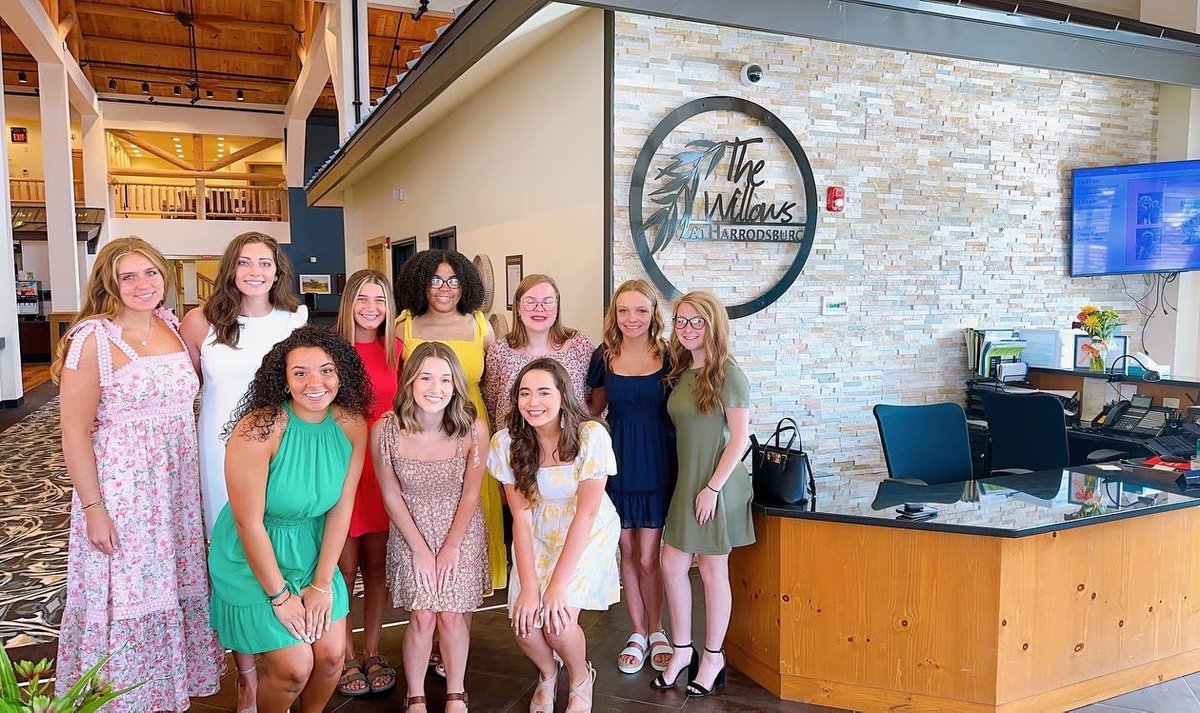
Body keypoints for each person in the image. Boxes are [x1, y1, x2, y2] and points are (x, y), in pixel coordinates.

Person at [52, 237, 225, 710]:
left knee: (173, 584)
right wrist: (93, 509)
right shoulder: (93, 339)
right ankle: (123, 698)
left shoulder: (171, 324)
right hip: (123, 492)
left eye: (150, 272)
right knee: (128, 592)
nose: (142, 284)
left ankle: (166, 690)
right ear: (110, 282)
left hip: (176, 488)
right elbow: (74, 432)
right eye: (128, 276)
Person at [207, 325, 369, 713]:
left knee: (331, 658)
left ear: (341, 374)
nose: (316, 382)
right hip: (253, 556)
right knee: (295, 667)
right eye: (300, 373)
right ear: (283, 380)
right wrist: (280, 597)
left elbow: (341, 508)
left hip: (313, 551)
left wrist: (321, 584)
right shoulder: (258, 429)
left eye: (327, 370)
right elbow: (248, 524)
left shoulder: (352, 425)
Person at [181, 231, 307, 710]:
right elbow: (182, 386)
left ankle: (285, 649)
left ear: (278, 271)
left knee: (277, 546)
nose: (256, 271)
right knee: (231, 560)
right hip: (217, 453)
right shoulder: (201, 322)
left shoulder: (293, 320)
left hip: (278, 453)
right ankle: (246, 675)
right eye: (246, 262)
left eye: (266, 263)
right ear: (231, 269)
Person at [488, 359, 620, 713]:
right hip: (537, 530)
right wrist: (530, 589)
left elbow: (587, 513)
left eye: (544, 392)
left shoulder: (591, 435)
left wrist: (557, 587)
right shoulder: (507, 443)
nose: (533, 402)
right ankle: (548, 673)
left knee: (559, 623)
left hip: (586, 529)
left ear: (563, 395)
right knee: (525, 626)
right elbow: (521, 515)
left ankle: (580, 677)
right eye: (525, 393)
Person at [395, 248, 505, 675]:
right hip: (421, 439)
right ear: (422, 283)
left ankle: (452, 638)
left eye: (454, 280)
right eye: (436, 280)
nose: (445, 289)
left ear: (467, 285)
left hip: (471, 433)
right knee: (425, 539)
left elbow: (494, 386)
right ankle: (429, 636)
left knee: (468, 540)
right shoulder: (404, 324)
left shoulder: (480, 325)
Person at [374, 341, 491, 713]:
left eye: (444, 379)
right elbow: (391, 495)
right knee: (423, 614)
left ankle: (456, 692)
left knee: (452, 613)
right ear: (409, 381)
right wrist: (421, 550)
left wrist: (452, 546)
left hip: (460, 526)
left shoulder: (474, 429)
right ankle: (416, 694)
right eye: (425, 377)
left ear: (456, 385)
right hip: (411, 527)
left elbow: (472, 493)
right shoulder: (385, 430)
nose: (434, 388)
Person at [653, 291, 754, 698]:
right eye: (681, 320)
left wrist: (711, 488)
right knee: (671, 564)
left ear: (713, 325)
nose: (688, 328)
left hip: (718, 484)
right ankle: (681, 650)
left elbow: (740, 439)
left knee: (712, 573)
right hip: (687, 482)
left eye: (697, 321)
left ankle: (713, 657)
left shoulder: (729, 373)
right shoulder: (681, 370)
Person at [586, 279, 675, 675]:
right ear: (615, 315)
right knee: (626, 552)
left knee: (648, 556)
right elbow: (593, 413)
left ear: (653, 314)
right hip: (617, 465)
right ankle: (637, 633)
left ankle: (658, 630)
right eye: (624, 311)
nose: (632, 318)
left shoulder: (671, 356)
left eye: (640, 310)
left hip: (657, 463)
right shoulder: (603, 357)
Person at [333, 270, 402, 697]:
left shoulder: (396, 349)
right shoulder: (331, 349)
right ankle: (344, 656)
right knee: (341, 569)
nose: (371, 306)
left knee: (377, 569)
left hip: (383, 469)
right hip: (343, 469)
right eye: (363, 297)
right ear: (348, 302)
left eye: (379, 298)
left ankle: (372, 650)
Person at [483, 274, 594, 432]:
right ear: (518, 308)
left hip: (569, 446)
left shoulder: (579, 345)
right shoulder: (500, 351)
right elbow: (490, 403)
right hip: (514, 446)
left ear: (557, 308)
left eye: (548, 302)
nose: (539, 308)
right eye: (530, 302)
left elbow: (593, 397)